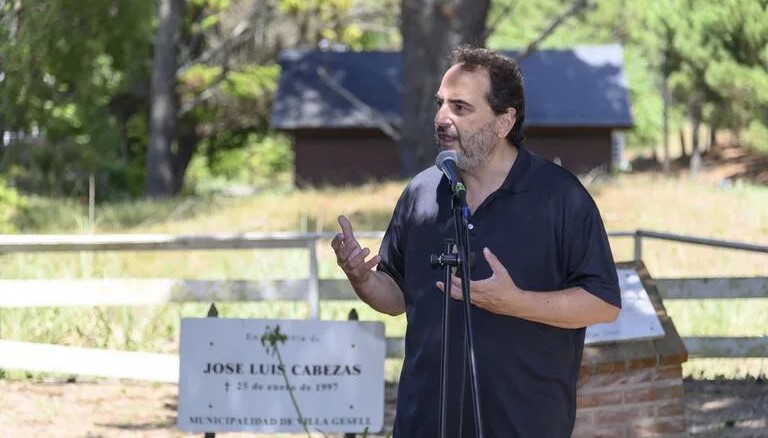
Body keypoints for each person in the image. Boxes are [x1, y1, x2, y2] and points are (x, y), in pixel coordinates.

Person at [331, 45, 621, 437]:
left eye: (460, 108)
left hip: (523, 424)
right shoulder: (421, 193)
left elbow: (602, 303)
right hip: (424, 424)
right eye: (440, 104)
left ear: (504, 121)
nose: (441, 118)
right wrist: (363, 280)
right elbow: (397, 297)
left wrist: (515, 302)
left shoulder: (560, 197)